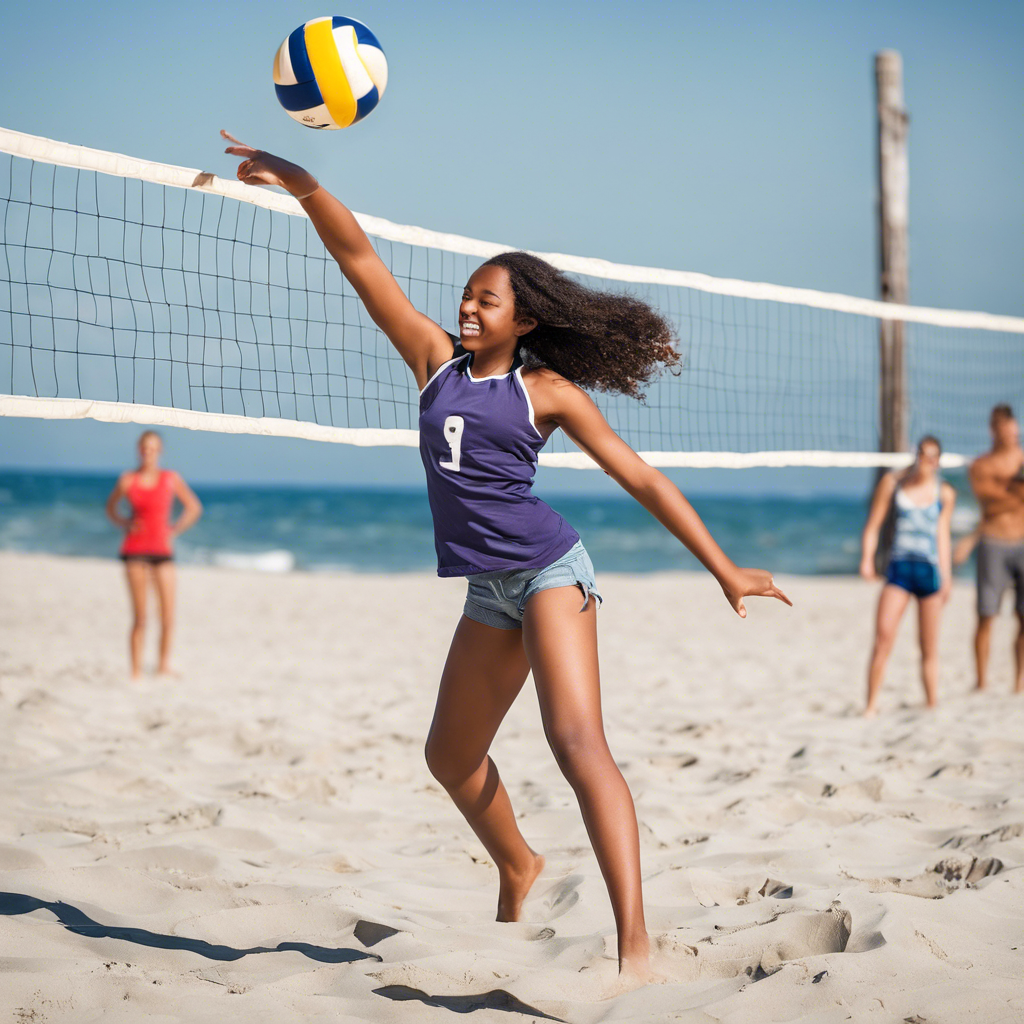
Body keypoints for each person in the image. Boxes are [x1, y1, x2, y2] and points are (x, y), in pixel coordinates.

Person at [221, 130, 791, 983]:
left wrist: (724, 567)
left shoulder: (546, 393)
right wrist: (304, 184)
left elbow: (639, 476)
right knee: (449, 758)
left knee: (574, 741)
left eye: (488, 301)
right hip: (488, 589)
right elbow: (361, 262)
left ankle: (635, 944)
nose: (468, 308)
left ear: (524, 318)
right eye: (467, 295)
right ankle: (518, 863)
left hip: (552, 572)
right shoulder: (433, 366)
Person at [860, 437, 956, 716]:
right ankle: (870, 706)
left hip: (929, 571)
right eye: (922, 454)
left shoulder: (945, 492)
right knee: (883, 638)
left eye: (932, 456)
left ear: (938, 461)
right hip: (900, 569)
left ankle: (931, 704)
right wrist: (867, 559)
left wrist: (947, 578)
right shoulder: (893, 484)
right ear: (916, 456)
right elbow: (873, 525)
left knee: (928, 647)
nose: (926, 461)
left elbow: (943, 536)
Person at [105, 430, 203, 679]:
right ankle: (135, 671)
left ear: (160, 451)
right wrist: (124, 522)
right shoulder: (128, 480)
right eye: (144, 448)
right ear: (139, 450)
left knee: (168, 616)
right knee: (140, 617)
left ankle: (163, 666)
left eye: (153, 448)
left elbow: (193, 507)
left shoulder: (171, 478)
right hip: (135, 551)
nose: (148, 452)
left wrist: (173, 529)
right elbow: (111, 508)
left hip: (162, 550)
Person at [967, 404, 1024, 693]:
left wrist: (1012, 488)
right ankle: (981, 682)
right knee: (986, 615)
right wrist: (1018, 490)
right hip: (993, 543)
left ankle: (1019, 683)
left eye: (1015, 430)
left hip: (1022, 541)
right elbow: (992, 503)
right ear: (995, 431)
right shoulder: (981, 465)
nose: (1013, 434)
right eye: (1007, 430)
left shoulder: (1022, 459)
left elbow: (1005, 499)